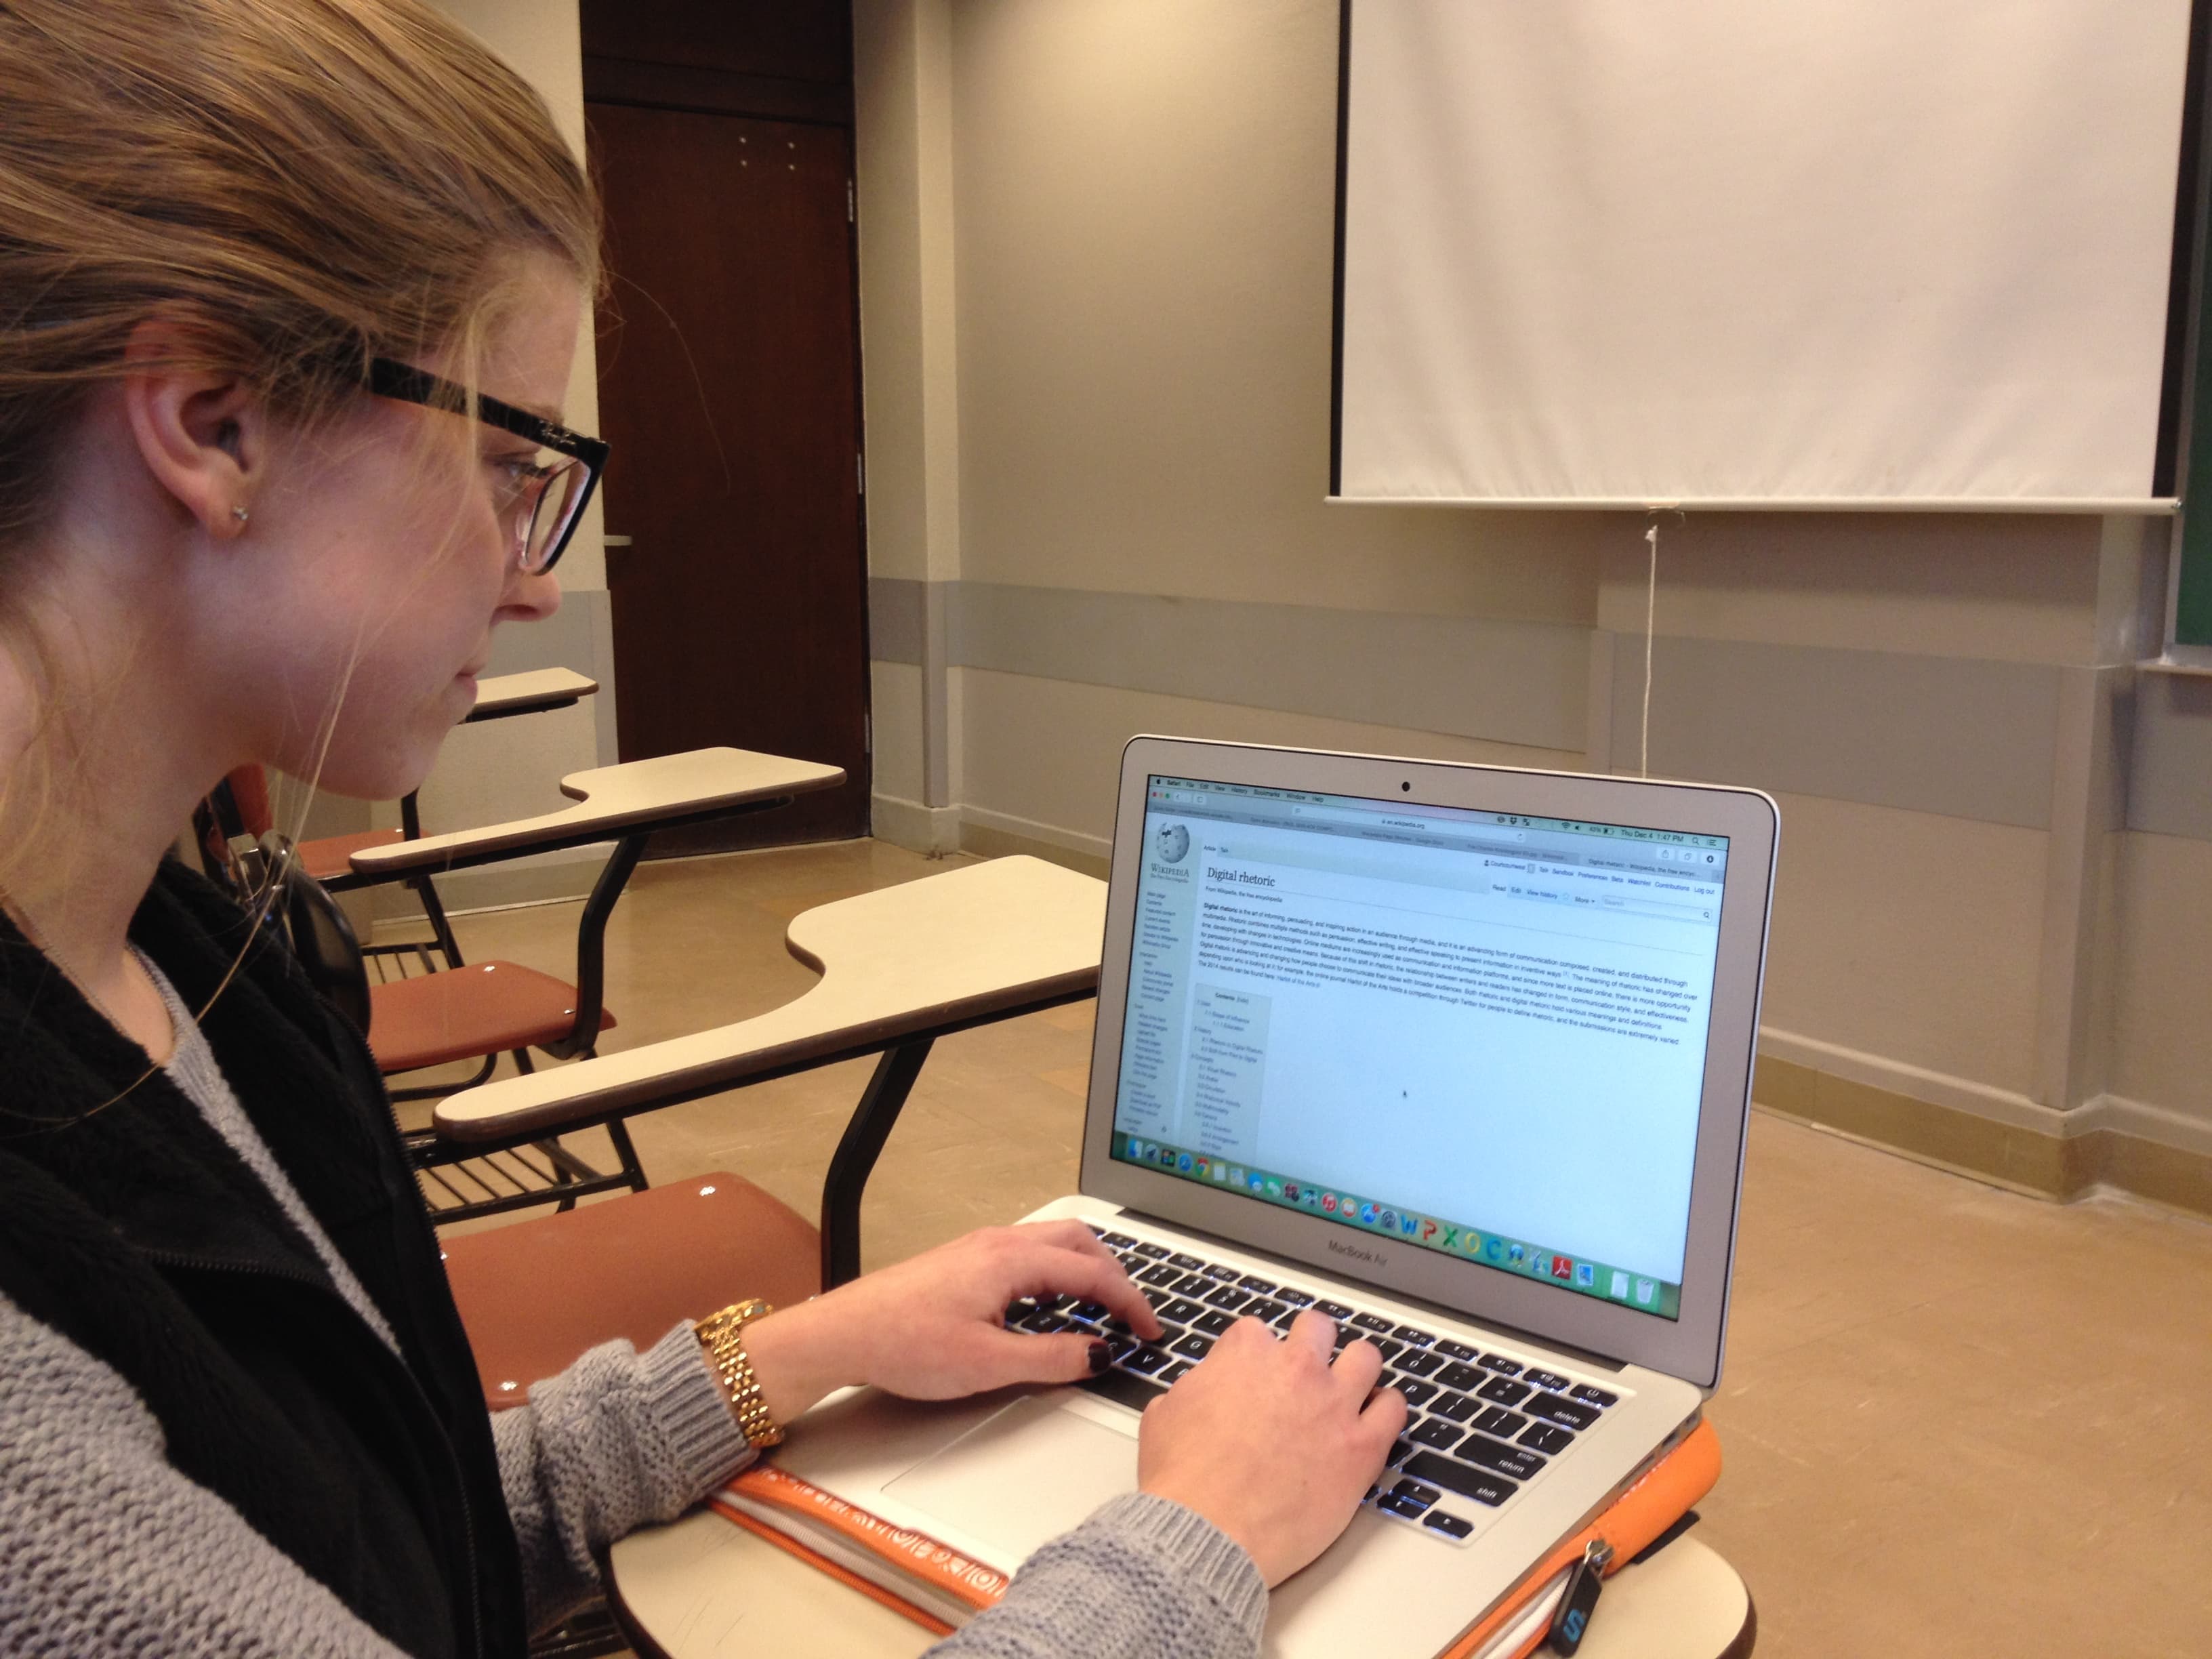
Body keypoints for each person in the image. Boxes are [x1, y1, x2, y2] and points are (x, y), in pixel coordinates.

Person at [0, 3, 1406, 1655]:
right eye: (513, 464)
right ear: (214, 419)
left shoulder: (186, 972)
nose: (534, 578)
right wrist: (1196, 1545)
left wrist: (794, 1354)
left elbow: (387, 1536)